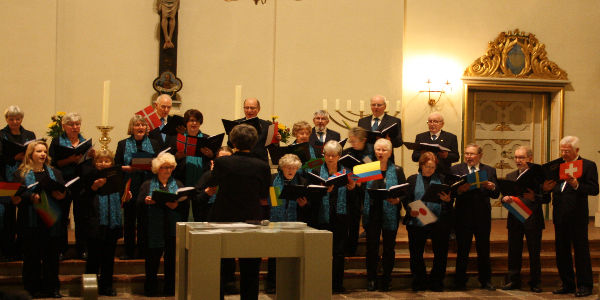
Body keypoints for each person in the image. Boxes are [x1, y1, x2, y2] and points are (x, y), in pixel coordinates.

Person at [208, 124, 271, 300]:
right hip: (251, 219)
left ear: (233, 141)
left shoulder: (222, 162)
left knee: (220, 263)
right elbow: (264, 194)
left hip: (223, 217)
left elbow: (212, 184)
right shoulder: (261, 165)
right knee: (251, 265)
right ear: (254, 142)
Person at [543, 136, 598, 297]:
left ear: (577, 150)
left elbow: (594, 189)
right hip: (560, 215)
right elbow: (551, 187)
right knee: (562, 250)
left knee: (581, 251)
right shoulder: (556, 166)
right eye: (562, 150)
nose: (564, 154)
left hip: (578, 215)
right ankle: (567, 283)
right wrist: (546, 188)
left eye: (567, 151)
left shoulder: (588, 165)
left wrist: (577, 185)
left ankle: (585, 285)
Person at [13, 140, 66, 298]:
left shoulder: (55, 173)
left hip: (50, 218)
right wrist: (30, 197)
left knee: (51, 257)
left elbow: (63, 191)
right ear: (30, 155)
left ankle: (52, 288)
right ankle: (32, 288)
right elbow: (15, 197)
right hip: (30, 221)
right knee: (32, 257)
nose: (42, 154)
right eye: (38, 151)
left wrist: (61, 194)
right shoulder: (20, 174)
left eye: (44, 151)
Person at [137, 152, 188, 296]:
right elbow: (139, 205)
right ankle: (151, 289)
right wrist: (146, 201)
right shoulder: (147, 184)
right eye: (164, 167)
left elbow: (184, 204)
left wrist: (176, 205)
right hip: (153, 228)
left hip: (172, 227)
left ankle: (170, 289)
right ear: (157, 169)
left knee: (171, 261)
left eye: (170, 167)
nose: (167, 170)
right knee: (152, 260)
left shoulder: (178, 184)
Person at [310, 140, 357, 293]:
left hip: (340, 217)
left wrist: (352, 189)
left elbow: (356, 201)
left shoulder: (348, 173)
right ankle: (320, 283)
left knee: (338, 252)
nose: (330, 159)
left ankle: (337, 284)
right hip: (321, 217)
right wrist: (324, 192)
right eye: (327, 155)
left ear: (339, 156)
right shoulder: (316, 171)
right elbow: (310, 197)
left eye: (333, 155)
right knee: (321, 252)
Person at [451, 143, 499, 291]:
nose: (468, 157)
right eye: (466, 154)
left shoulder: (489, 170)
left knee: (483, 249)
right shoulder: (456, 169)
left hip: (482, 215)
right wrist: (460, 190)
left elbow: (496, 194)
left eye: (472, 154)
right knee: (462, 249)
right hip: (463, 215)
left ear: (480, 155)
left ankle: (486, 280)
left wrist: (491, 187)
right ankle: (459, 281)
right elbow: (451, 192)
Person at [84, 149, 132, 296]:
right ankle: (90, 289)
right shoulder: (89, 175)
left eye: (106, 161)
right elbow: (82, 198)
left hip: (112, 222)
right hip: (95, 222)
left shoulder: (116, 176)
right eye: (99, 161)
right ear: (95, 163)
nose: (103, 164)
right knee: (93, 257)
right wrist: (94, 187)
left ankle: (106, 286)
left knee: (108, 258)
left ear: (112, 163)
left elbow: (122, 197)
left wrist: (126, 196)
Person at [500, 146, 548, 293]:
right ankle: (514, 280)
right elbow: (505, 196)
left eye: (521, 158)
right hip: (515, 217)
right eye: (516, 157)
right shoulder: (510, 176)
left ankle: (535, 282)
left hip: (532, 219)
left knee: (534, 252)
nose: (518, 160)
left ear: (530, 159)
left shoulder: (539, 176)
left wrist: (534, 197)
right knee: (514, 251)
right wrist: (505, 198)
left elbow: (546, 198)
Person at [402, 152, 452, 292]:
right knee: (416, 253)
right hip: (417, 221)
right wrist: (409, 209)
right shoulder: (412, 180)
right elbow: (407, 199)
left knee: (440, 253)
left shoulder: (442, 180)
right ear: (421, 165)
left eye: (432, 166)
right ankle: (420, 281)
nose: (429, 169)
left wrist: (448, 201)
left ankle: (437, 282)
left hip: (438, 221)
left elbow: (449, 201)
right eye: (427, 166)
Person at [363, 138, 406, 292]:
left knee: (389, 248)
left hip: (390, 213)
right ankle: (371, 279)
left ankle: (386, 278)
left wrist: (398, 199)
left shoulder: (397, 170)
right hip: (372, 213)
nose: (380, 153)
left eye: (384, 150)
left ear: (390, 152)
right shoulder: (367, 168)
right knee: (372, 248)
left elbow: (404, 192)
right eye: (378, 150)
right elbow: (358, 189)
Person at [114, 115, 159, 260]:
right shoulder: (123, 144)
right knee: (129, 219)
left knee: (145, 219)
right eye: (137, 125)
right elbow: (116, 166)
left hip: (148, 184)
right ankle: (129, 251)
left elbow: (160, 163)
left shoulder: (154, 143)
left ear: (147, 128)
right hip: (130, 184)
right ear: (131, 128)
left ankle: (143, 251)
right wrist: (127, 168)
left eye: (143, 125)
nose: (140, 128)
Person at [265, 154, 310, 294]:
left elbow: (309, 205)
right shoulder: (273, 180)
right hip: (275, 220)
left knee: (293, 253)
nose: (291, 171)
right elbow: (272, 202)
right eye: (288, 168)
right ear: (282, 168)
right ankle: (272, 283)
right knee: (273, 253)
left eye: (294, 168)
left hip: (295, 221)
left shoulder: (302, 181)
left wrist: (304, 205)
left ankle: (291, 282)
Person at [48, 112, 91, 260]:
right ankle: (61, 249)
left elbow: (88, 164)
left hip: (80, 183)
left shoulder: (84, 141)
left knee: (81, 217)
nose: (75, 127)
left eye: (77, 124)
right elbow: (52, 164)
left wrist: (89, 157)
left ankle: (82, 249)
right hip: (63, 182)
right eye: (71, 125)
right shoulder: (57, 141)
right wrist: (70, 159)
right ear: (64, 126)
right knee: (61, 217)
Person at [0, 105, 36, 261]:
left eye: (18, 118)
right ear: (6, 119)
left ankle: (22, 248)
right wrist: (13, 158)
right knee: (7, 215)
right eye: (11, 119)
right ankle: (7, 250)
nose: (15, 121)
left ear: (22, 119)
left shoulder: (29, 134)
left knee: (24, 213)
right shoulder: (1, 135)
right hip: (5, 178)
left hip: (24, 178)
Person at [172, 109, 214, 221]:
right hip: (182, 180)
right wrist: (177, 156)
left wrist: (210, 154)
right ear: (186, 122)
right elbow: (169, 159)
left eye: (197, 121)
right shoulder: (177, 138)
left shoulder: (207, 138)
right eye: (191, 120)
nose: (194, 123)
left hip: (201, 182)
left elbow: (214, 159)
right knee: (181, 216)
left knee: (200, 216)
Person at [343, 127, 374, 255]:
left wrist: (357, 178)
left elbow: (372, 171)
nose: (352, 144)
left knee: (367, 218)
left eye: (355, 141)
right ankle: (349, 248)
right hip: (350, 189)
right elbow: (343, 169)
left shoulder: (369, 153)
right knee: (352, 219)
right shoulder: (347, 152)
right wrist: (353, 180)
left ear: (364, 140)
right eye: (351, 141)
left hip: (367, 189)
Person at [229, 98, 277, 162]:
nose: (249, 110)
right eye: (246, 107)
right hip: (240, 161)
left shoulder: (267, 125)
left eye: (252, 108)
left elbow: (272, 148)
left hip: (260, 162)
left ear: (258, 109)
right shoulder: (236, 124)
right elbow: (230, 144)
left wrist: (276, 140)